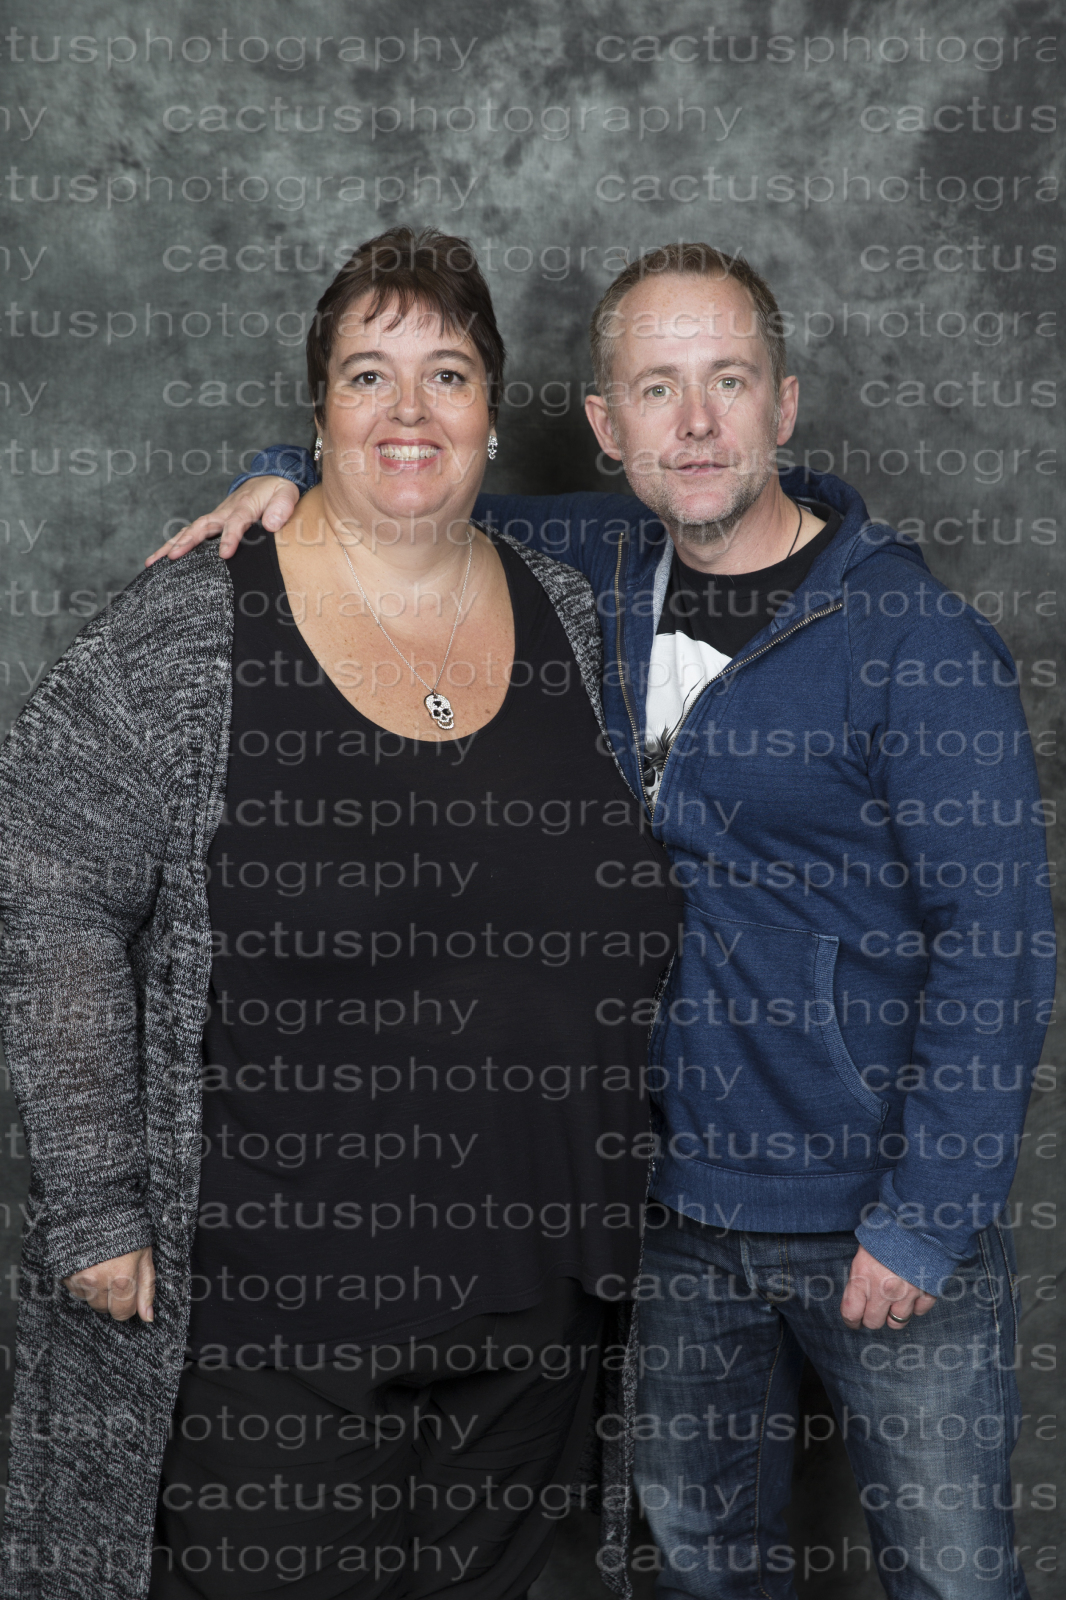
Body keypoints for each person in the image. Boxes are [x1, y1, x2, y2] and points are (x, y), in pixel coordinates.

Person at [171, 240, 1055, 1600]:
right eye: (655, 389)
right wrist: (284, 468)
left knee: (951, 1577)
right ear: (604, 424)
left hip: (870, 1212)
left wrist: (926, 1218)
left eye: (727, 382)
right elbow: (410, 474)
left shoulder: (911, 642)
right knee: (701, 1568)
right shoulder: (581, 568)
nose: (693, 423)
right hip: (667, 1218)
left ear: (782, 405)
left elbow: (997, 944)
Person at [0, 228, 682, 1600]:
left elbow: (748, 505)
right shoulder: (189, 628)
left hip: (534, 1314)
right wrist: (95, 1204)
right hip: (273, 1323)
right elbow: (47, 887)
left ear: (495, 411)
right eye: (368, 375)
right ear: (316, 413)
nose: (409, 411)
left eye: (448, 375)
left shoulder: (569, 605)